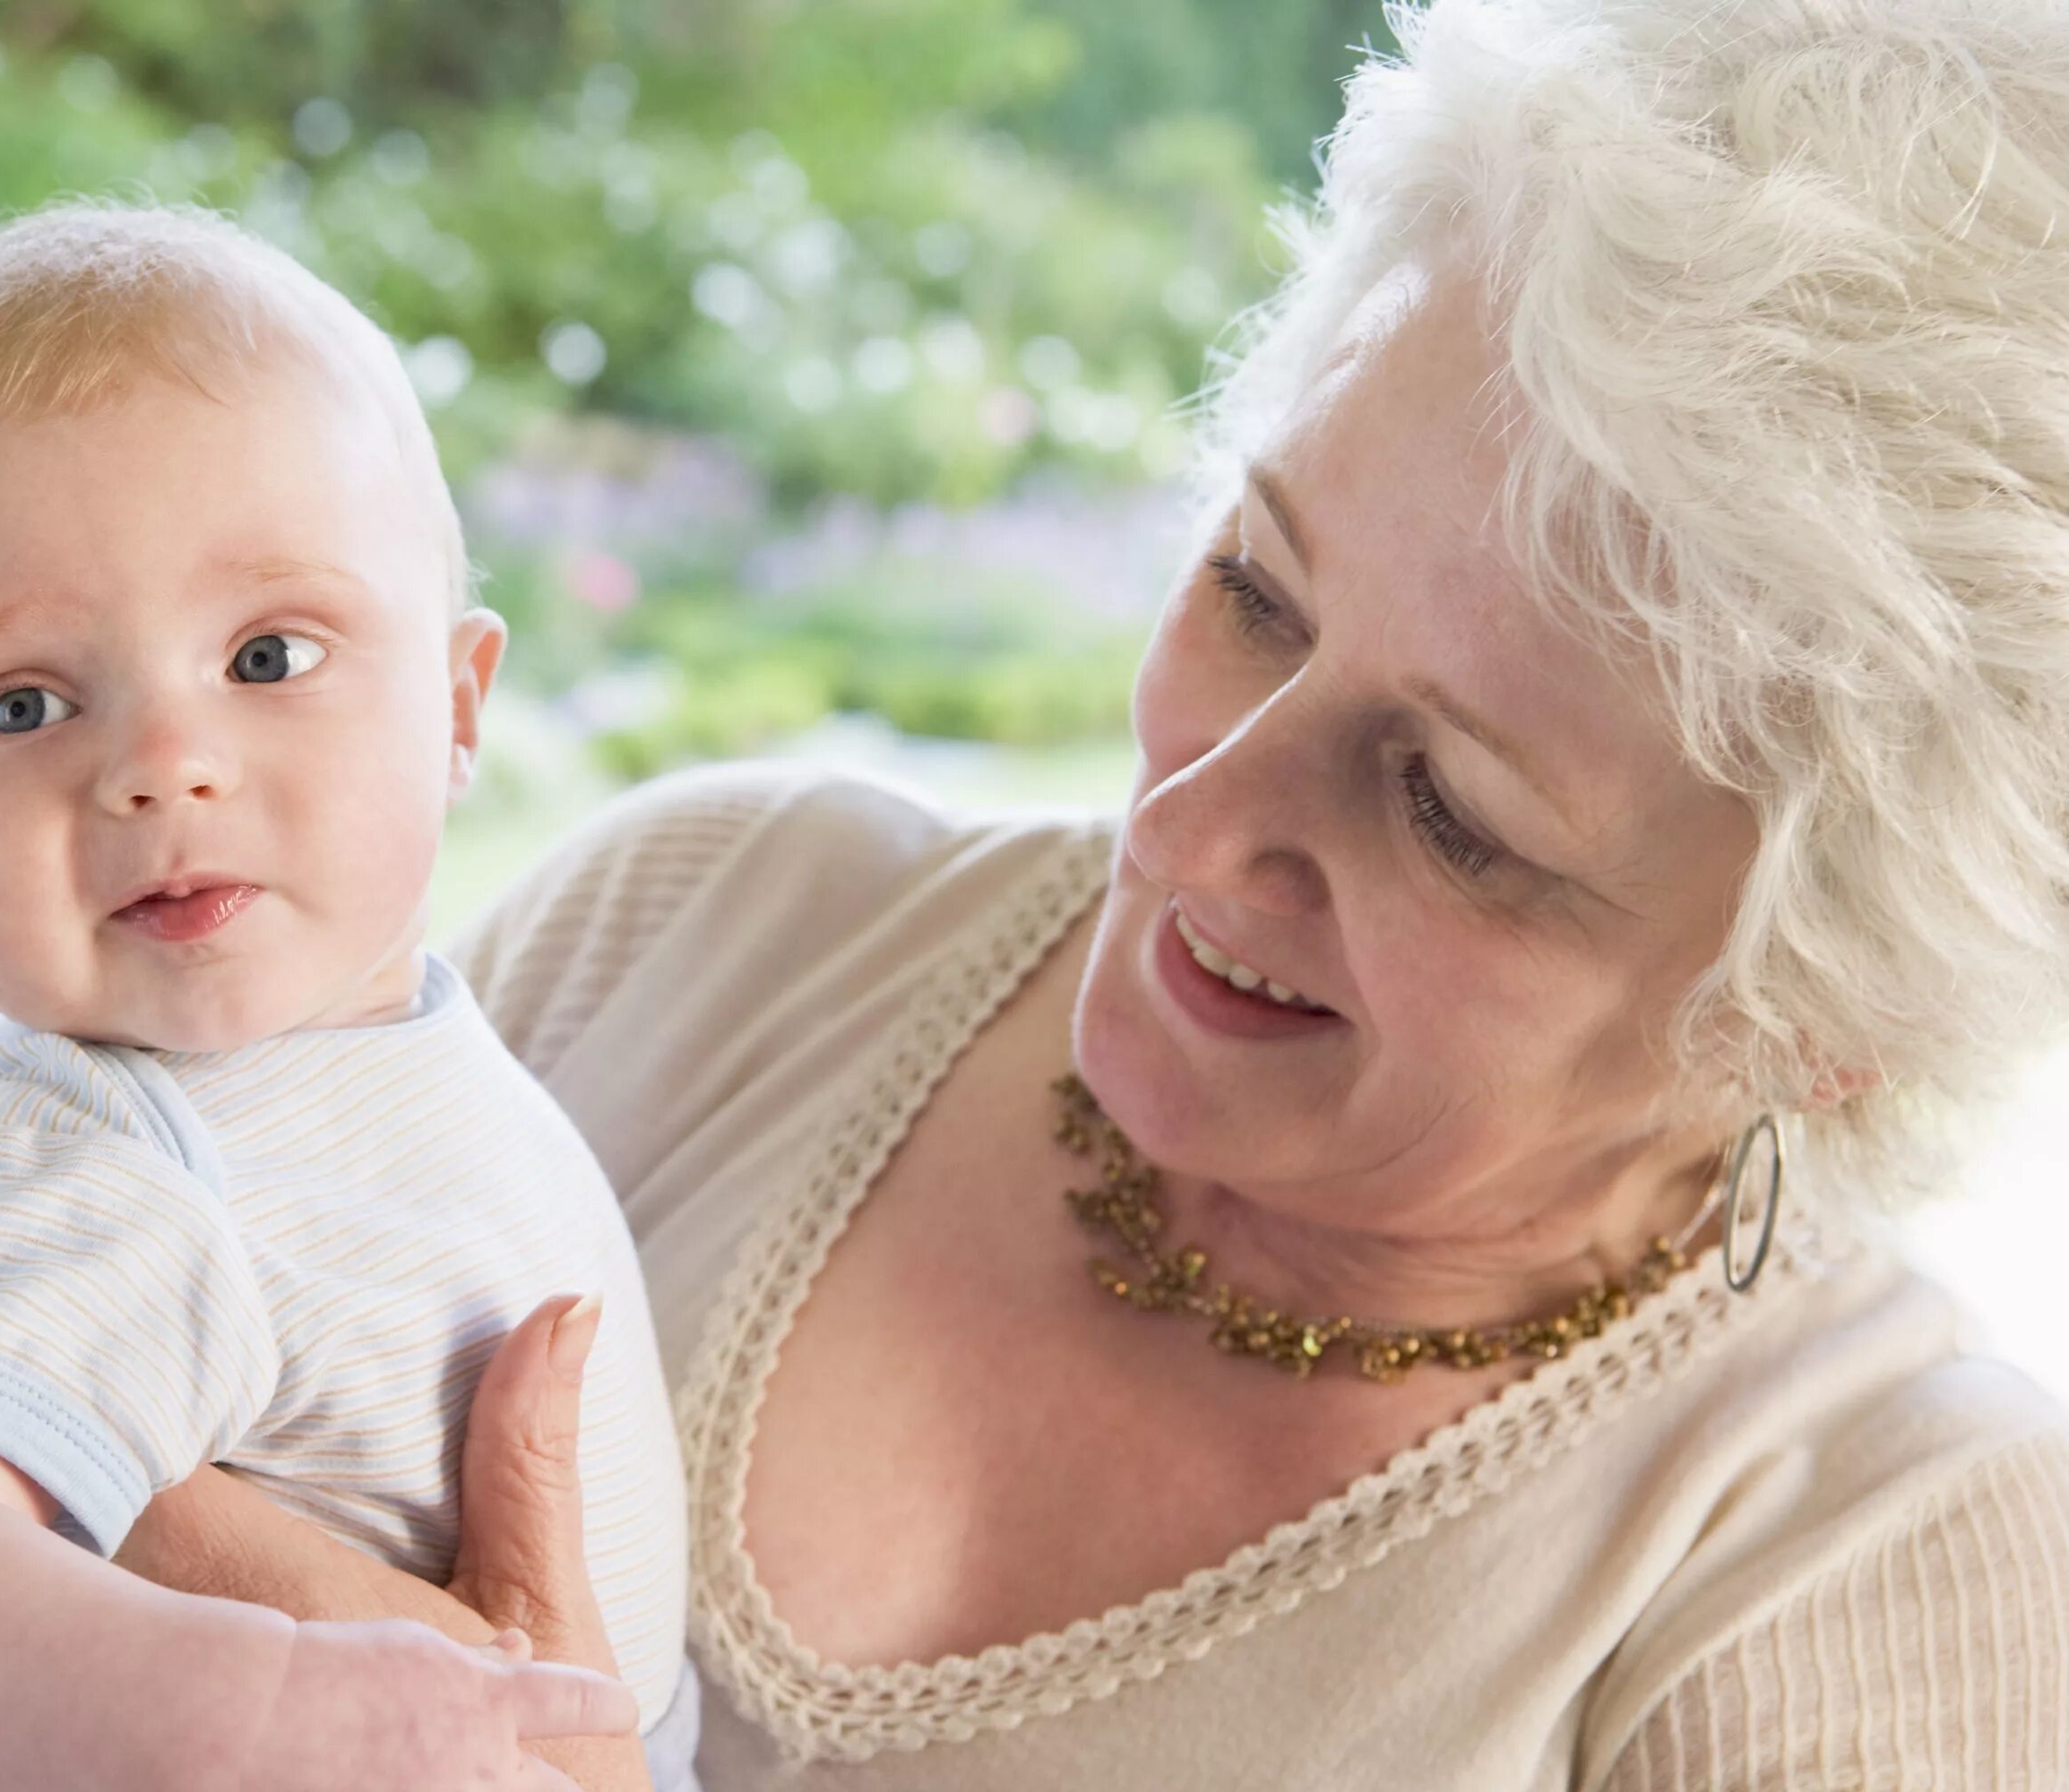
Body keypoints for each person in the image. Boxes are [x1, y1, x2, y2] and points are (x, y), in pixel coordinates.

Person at [118, 0, 2069, 1783]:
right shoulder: (694, 928)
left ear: (1827, 1011)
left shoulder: (1867, 1560)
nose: (1194, 826)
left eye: (1450, 812)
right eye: (1257, 590)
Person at [0, 203, 694, 1791]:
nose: (158, 765)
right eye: (22, 701)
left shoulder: (404, 1048)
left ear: (456, 706)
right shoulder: (92, 1149)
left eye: (268, 657)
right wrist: (238, 1710)